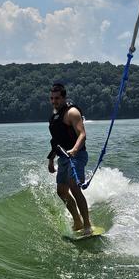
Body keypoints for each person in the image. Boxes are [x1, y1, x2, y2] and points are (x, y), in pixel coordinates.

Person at [47, 83, 92, 234]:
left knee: (74, 187)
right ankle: (77, 221)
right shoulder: (54, 117)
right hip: (63, 158)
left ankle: (87, 225)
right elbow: (56, 142)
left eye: (57, 98)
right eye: (52, 98)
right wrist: (51, 159)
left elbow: (82, 134)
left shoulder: (72, 112)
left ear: (64, 97)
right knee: (61, 191)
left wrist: (74, 149)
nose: (54, 101)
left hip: (77, 155)